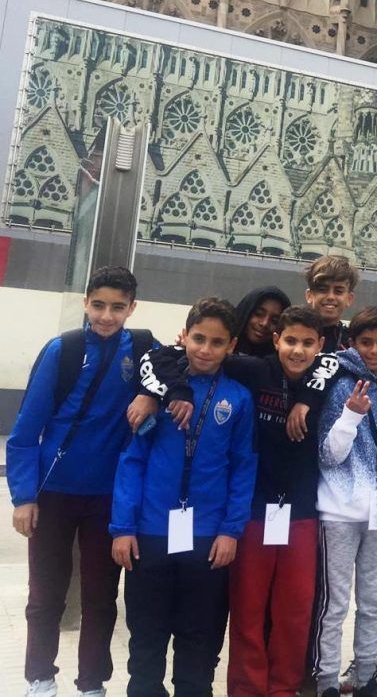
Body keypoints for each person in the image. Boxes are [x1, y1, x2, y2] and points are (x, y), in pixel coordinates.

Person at [7, 266, 158, 697]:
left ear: (132, 307)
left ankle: (92, 684)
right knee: (45, 596)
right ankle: (39, 677)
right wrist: (23, 496)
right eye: (98, 305)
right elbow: (24, 433)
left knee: (101, 598)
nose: (106, 316)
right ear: (85, 303)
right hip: (53, 495)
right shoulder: (64, 351)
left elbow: (176, 375)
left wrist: (150, 393)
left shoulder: (145, 350)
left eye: (117, 307)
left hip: (108, 498)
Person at [110, 297, 257, 697]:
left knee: (200, 636)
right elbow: (132, 459)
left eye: (216, 342)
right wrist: (122, 526)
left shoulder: (238, 398)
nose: (205, 350)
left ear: (231, 346)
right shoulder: (156, 390)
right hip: (150, 533)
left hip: (209, 538)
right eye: (198, 339)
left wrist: (231, 531)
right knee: (146, 635)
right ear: (185, 336)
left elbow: (243, 467)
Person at [222, 305, 339, 697]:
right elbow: (187, 353)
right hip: (254, 511)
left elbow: (345, 365)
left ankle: (284, 688)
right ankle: (247, 688)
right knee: (249, 609)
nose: (298, 351)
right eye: (290, 341)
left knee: (294, 611)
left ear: (320, 346)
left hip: (303, 513)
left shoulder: (329, 375)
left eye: (308, 343)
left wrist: (306, 398)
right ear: (276, 341)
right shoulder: (253, 371)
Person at [312, 307, 377, 697]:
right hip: (339, 512)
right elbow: (328, 455)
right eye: (366, 342)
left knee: (373, 600)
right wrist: (351, 418)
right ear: (352, 343)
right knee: (335, 604)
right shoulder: (340, 384)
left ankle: (367, 675)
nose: (374, 350)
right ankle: (325, 681)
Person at [305, 255, 360, 352]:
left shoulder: (355, 344)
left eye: (338, 291)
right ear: (309, 295)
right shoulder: (291, 336)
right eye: (323, 290)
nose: (330, 297)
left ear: (349, 298)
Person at [233, 286, 291, 356]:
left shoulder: (284, 364)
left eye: (274, 320)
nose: (265, 323)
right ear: (246, 312)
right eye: (258, 314)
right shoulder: (221, 354)